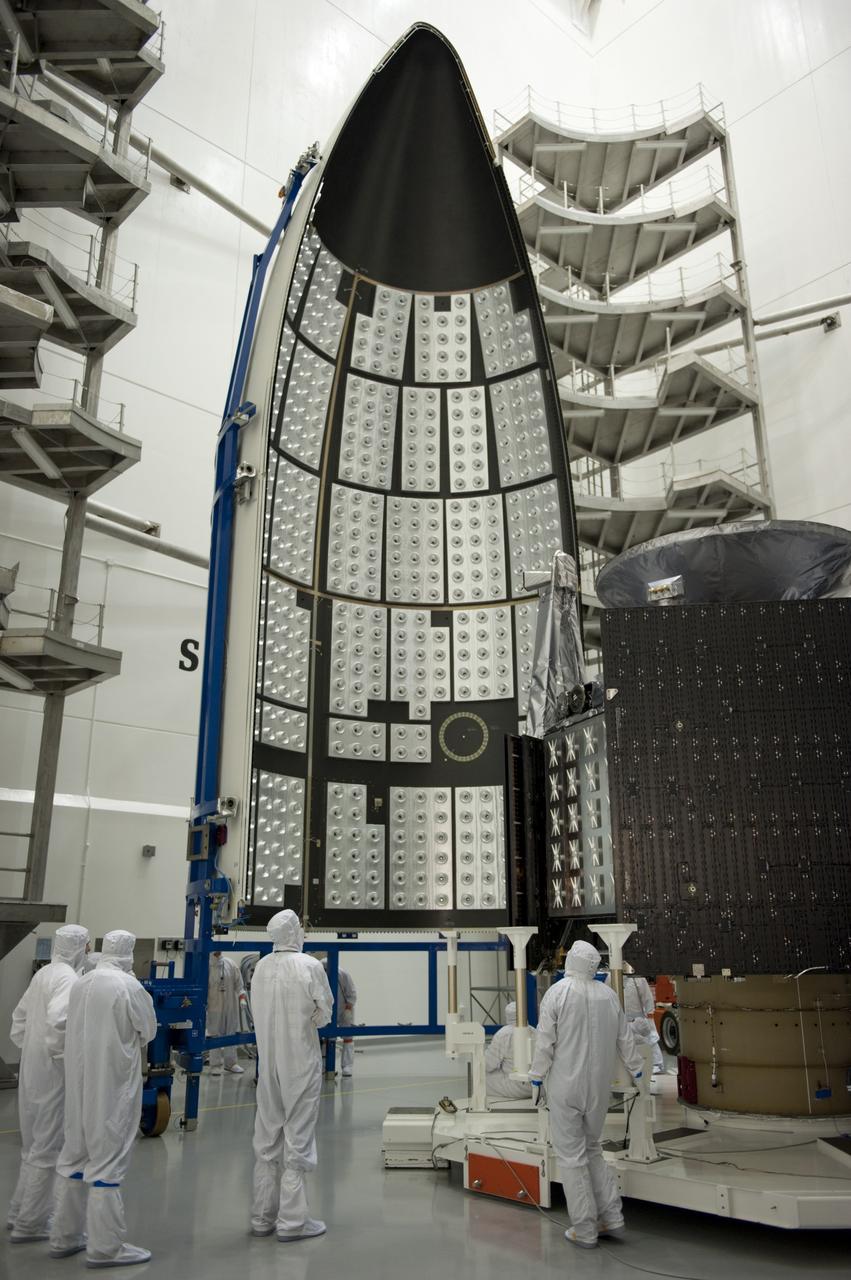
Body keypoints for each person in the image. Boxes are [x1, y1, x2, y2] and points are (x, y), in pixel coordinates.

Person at [48, 930, 157, 1267]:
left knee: (74, 1156)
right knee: (107, 1162)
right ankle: (105, 1247)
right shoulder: (128, 986)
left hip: (79, 1083)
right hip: (113, 1085)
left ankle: (64, 1236)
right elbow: (148, 1030)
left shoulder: (82, 983)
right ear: (128, 951)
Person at [530, 939, 643, 1250]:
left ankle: (585, 1229)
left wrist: (536, 1077)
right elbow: (625, 1038)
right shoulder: (608, 996)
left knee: (571, 1157)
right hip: (598, 1089)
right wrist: (637, 1069)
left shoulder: (558, 992)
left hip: (565, 1087)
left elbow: (545, 1042)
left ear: (572, 963)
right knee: (593, 1149)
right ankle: (612, 1217)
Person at [250, 910, 333, 1242]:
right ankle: (293, 1222)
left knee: (267, 1136)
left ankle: (262, 1217)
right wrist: (310, 1018)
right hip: (299, 1062)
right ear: (295, 932)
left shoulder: (261, 968)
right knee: (298, 1137)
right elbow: (324, 1012)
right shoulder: (309, 965)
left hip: (267, 1064)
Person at [7, 924, 90, 1243]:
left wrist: (32, 1052)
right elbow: (59, 1023)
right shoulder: (68, 979)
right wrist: (65, 1060)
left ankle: (19, 1212)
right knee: (48, 1147)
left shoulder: (44, 974)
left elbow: (19, 1020)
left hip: (32, 1071)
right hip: (53, 1075)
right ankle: (31, 1223)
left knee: (33, 1147)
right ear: (81, 947)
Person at [606, 963, 665, 1074]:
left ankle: (657, 1063)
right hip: (620, 1017)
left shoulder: (637, 978)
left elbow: (647, 997)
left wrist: (650, 1013)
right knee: (624, 1043)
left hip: (638, 1018)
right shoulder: (611, 977)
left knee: (649, 1038)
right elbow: (607, 995)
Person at [485, 1001, 536, 1100]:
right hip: (536, 1086)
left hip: (516, 1087)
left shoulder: (503, 1034)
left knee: (481, 1077)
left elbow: (488, 1065)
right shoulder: (534, 1031)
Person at [207, 950, 247, 1075]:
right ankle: (215, 1064)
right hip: (214, 1006)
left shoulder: (230, 964)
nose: (218, 953)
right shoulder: (206, 966)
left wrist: (242, 999)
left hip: (230, 1005)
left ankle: (231, 1063)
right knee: (214, 1034)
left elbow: (240, 986)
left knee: (231, 1032)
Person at [321, 957, 357, 1077]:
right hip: (325, 1010)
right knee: (325, 1037)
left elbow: (351, 993)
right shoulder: (318, 974)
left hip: (343, 1009)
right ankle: (325, 1065)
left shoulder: (342, 974)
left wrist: (348, 1009)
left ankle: (347, 1066)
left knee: (347, 1037)